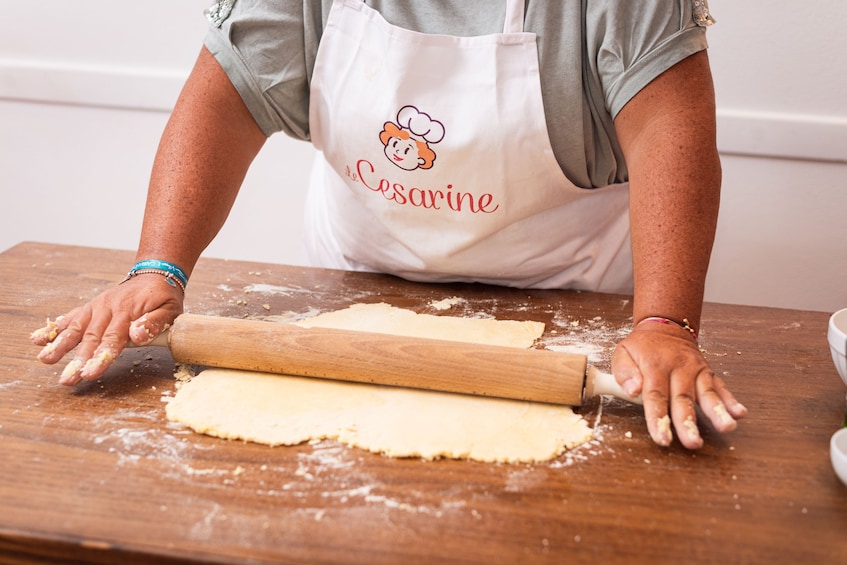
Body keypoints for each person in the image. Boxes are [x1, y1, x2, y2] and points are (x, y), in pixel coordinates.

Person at [31, 0, 746, 450]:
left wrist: (662, 322)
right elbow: (223, 100)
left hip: (569, 291)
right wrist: (159, 266)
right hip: (351, 293)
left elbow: (667, 128)